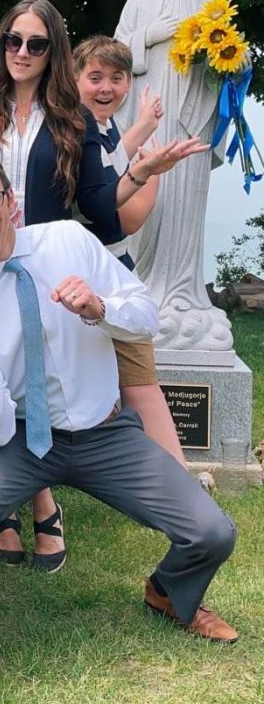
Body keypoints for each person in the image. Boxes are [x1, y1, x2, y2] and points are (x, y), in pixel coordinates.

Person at [0, 149, 237, 665]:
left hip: (104, 432)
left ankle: (167, 591)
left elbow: (146, 316)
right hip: (22, 440)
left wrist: (100, 309)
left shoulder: (69, 240)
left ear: (10, 201)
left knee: (213, 532)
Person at [0, 0, 145, 572]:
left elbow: (97, 205)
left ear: (54, 51)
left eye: (37, 43)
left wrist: (139, 175)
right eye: (13, 40)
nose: (22, 52)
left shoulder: (74, 119)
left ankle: (40, 499)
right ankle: (13, 501)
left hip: (45, 263)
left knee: (39, 367)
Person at [74, 35, 209, 466]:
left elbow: (110, 164)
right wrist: (145, 171)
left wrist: (144, 129)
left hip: (116, 269)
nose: (106, 87)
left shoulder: (103, 126)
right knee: (127, 381)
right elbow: (100, 201)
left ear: (129, 84)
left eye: (117, 78)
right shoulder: (74, 130)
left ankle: (174, 473)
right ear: (74, 79)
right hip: (85, 276)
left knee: (138, 377)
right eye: (95, 77)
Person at [114, 0, 232, 353]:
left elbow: (224, 58)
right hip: (151, 115)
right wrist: (150, 36)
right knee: (151, 201)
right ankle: (142, 285)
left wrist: (233, 63)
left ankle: (184, 294)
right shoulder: (140, 0)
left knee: (185, 206)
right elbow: (115, 55)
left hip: (192, 119)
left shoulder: (207, 3)